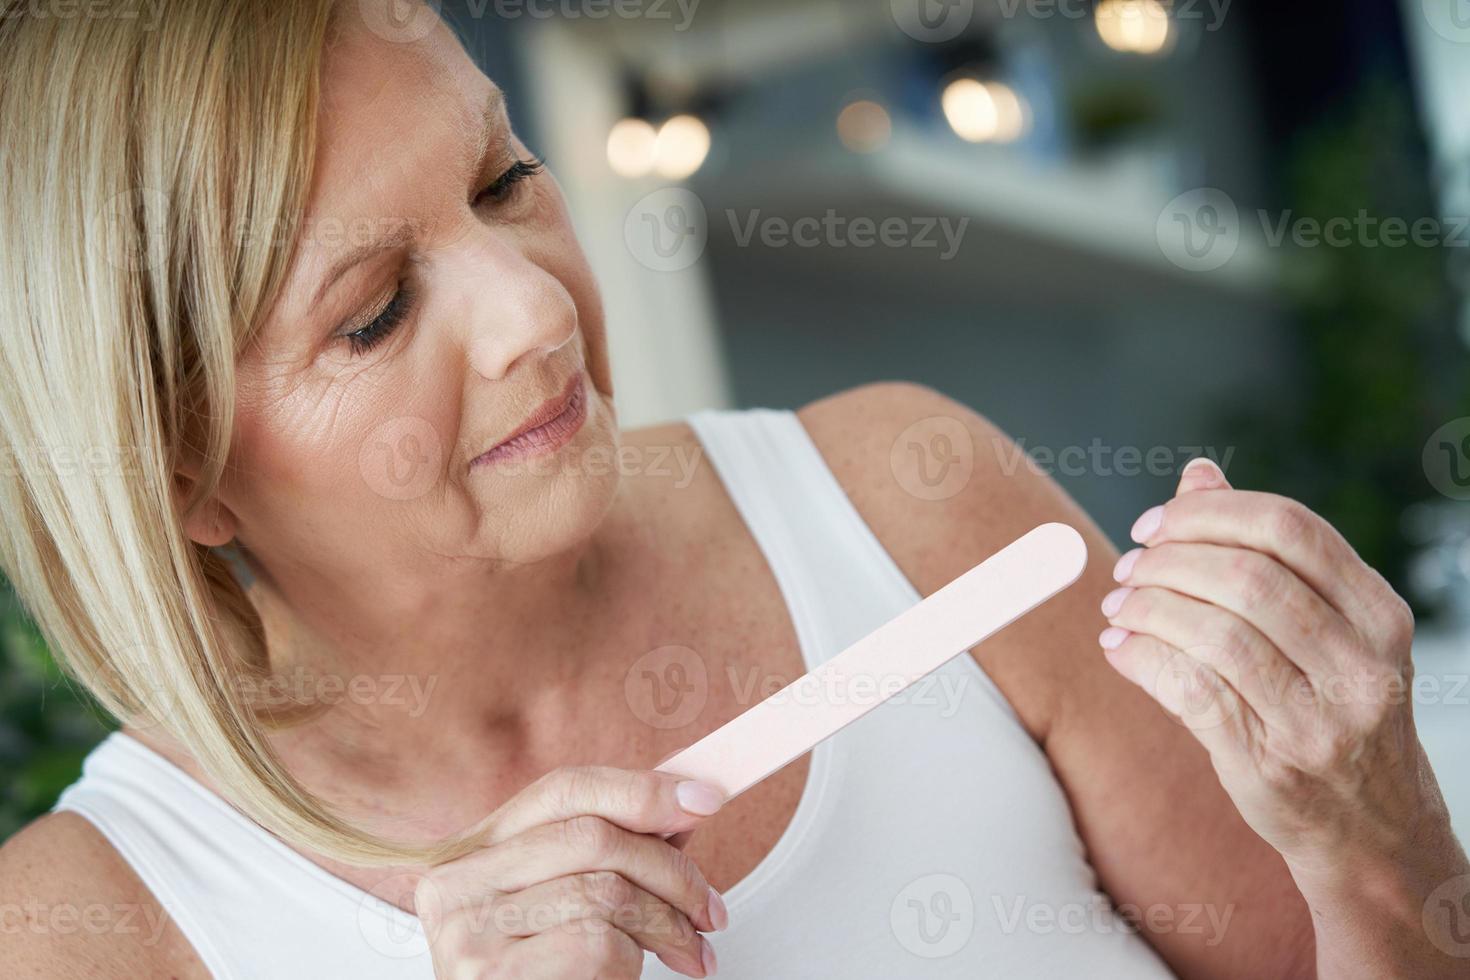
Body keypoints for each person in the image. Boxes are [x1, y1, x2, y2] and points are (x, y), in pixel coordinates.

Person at [0, 2, 1464, 977]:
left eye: (505, 180)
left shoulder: (908, 502)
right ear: (176, 467)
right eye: (374, 310)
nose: (535, 312)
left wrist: (1378, 840)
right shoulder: (85, 927)